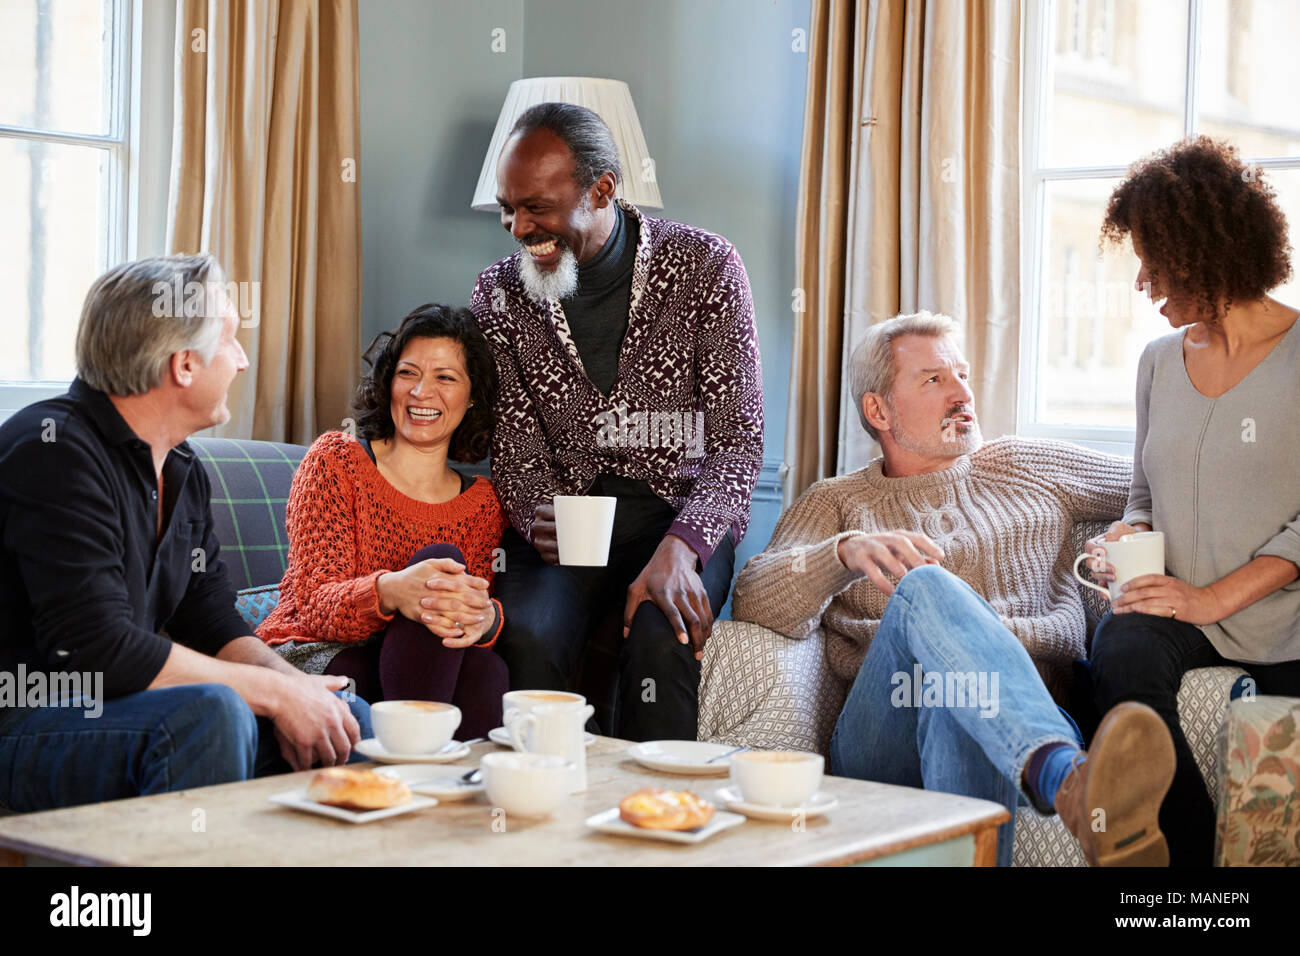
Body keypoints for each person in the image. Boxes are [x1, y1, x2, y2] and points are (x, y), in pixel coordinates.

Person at [731, 311, 1177, 867]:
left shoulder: (1025, 464)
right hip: (884, 732)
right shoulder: (837, 501)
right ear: (878, 409)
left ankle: (1060, 774)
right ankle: (1065, 778)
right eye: (935, 379)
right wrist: (842, 552)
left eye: (962, 374)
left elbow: (1162, 482)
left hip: (1021, 717)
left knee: (958, 695)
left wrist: (1132, 529)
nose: (963, 392)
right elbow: (753, 595)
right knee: (924, 587)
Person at [0, 254, 371, 812]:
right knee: (208, 714)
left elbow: (209, 616)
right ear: (184, 366)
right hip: (27, 718)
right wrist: (274, 692)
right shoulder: (52, 450)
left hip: (121, 709)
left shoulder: (181, 469)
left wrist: (292, 685)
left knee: (345, 717)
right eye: (230, 341)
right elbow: (95, 647)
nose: (243, 362)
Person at [469, 102, 763, 741]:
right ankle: (541, 815)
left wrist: (682, 550)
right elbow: (514, 445)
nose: (518, 227)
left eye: (537, 208)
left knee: (664, 642)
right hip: (563, 527)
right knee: (530, 637)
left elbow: (737, 443)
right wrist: (535, 516)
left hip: (673, 521)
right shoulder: (498, 296)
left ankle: (659, 817)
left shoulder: (706, 267)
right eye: (507, 207)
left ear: (602, 191)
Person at [1086, 136, 1300, 867]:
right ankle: (1178, 856)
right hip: (1184, 611)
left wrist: (1212, 599)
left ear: (1209, 250)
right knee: (1119, 647)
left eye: (1156, 258)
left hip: (1283, 619)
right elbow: (1141, 493)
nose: (1143, 281)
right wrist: (1126, 534)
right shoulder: (1157, 362)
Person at [257, 304, 510, 739]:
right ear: (388, 381)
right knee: (441, 563)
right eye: (408, 373)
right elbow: (317, 606)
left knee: (485, 668)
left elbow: (464, 617)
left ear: (471, 399)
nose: (421, 392)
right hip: (320, 651)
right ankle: (418, 778)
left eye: (445, 378)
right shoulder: (337, 460)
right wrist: (393, 590)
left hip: (425, 662)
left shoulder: (483, 503)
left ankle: (440, 795)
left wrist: (485, 619)